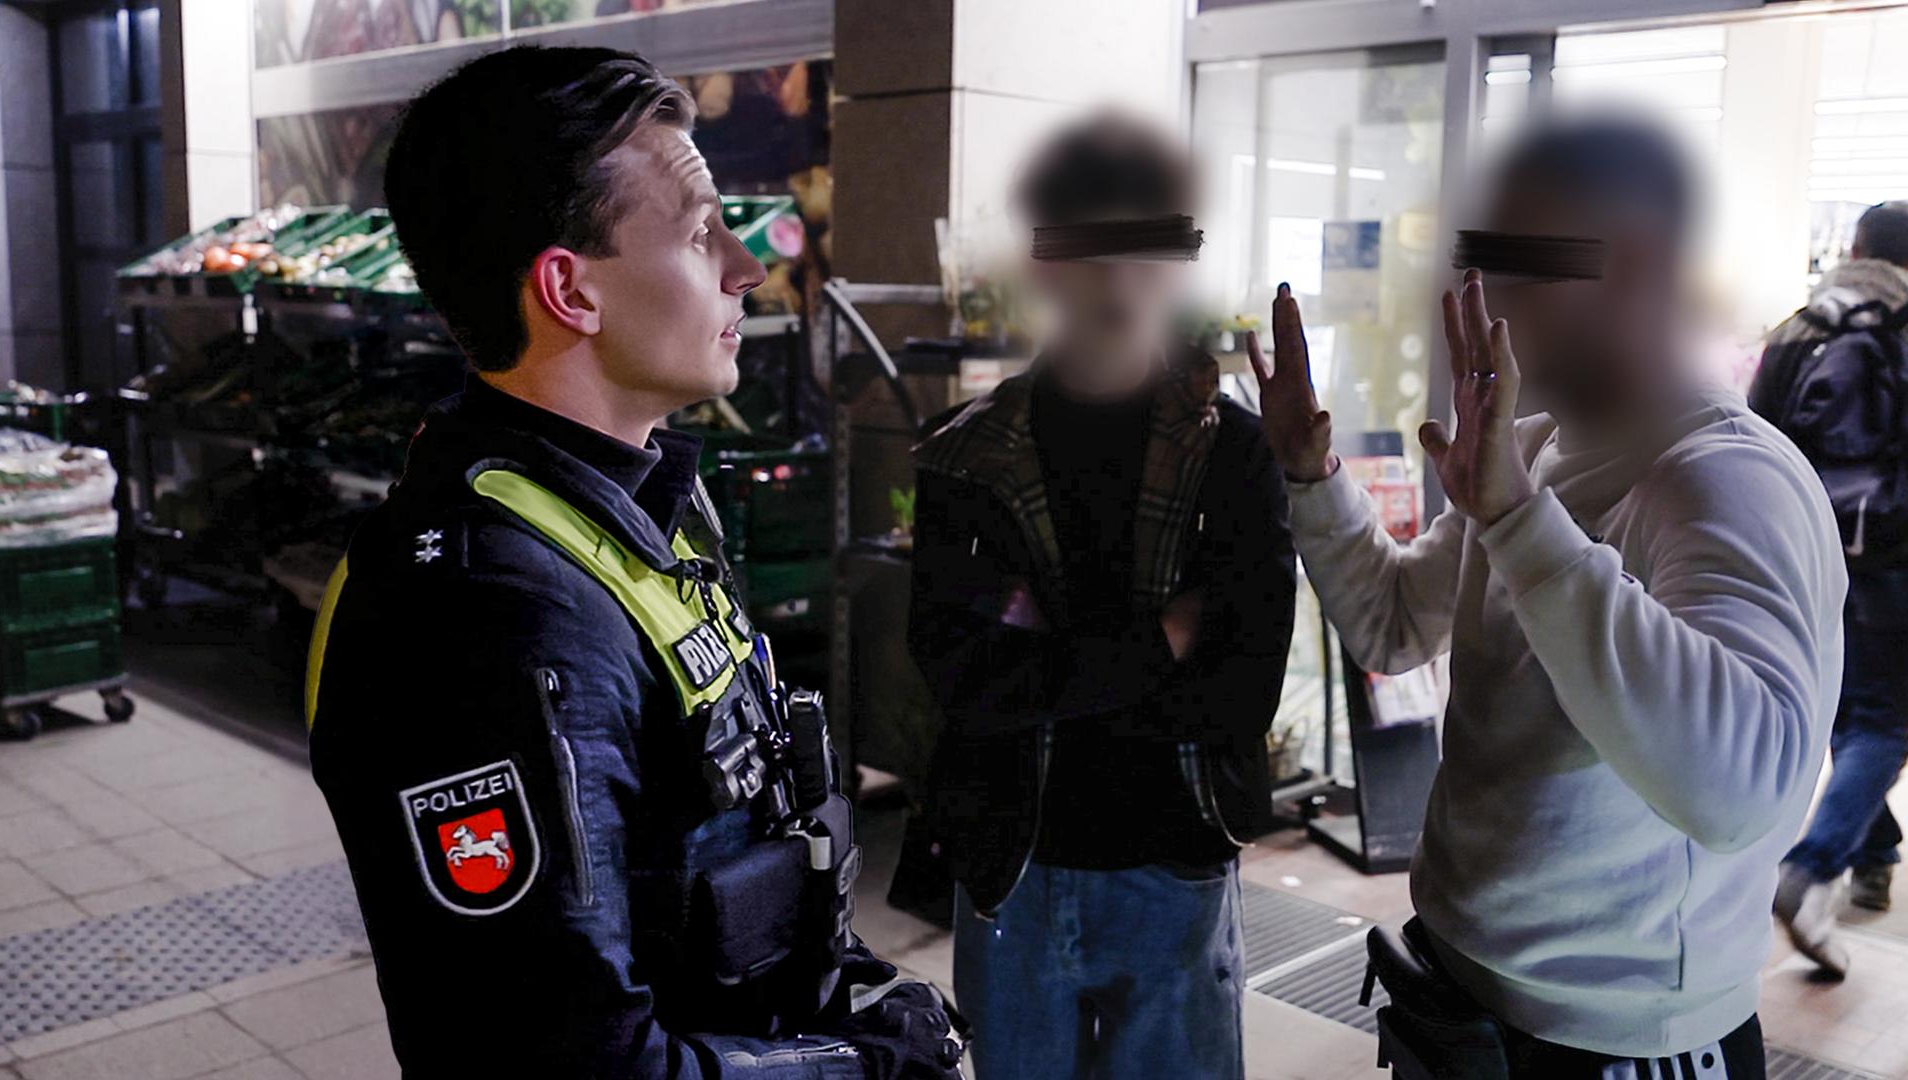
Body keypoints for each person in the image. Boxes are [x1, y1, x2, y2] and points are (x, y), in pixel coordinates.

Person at [303, 46, 960, 1079]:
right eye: (702, 234)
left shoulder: (632, 501)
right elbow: (573, 1062)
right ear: (570, 290)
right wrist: (861, 1063)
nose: (746, 269)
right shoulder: (493, 609)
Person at [1254, 117, 1846, 1076]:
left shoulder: (1725, 477)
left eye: (1513, 268)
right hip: (1463, 993)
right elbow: (1393, 625)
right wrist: (1310, 473)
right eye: (1474, 265)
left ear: (1637, 267)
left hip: (1615, 1037)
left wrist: (1519, 521)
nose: (1477, 302)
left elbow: (1746, 786)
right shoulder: (1535, 446)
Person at [905, 115, 1299, 1080]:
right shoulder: (965, 457)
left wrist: (1054, 670)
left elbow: (1240, 695)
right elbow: (961, 679)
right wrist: (1159, 642)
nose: (1119, 278)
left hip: (1176, 862)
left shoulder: (1233, 455)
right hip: (1012, 865)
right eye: (1091, 246)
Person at [1751, 200, 1908, 974]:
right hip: (1892, 554)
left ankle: (1877, 852)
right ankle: (1813, 866)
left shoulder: (1798, 328)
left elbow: (1753, 435)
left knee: (1840, 705)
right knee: (1884, 719)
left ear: (1852, 248)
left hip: (1799, 547)